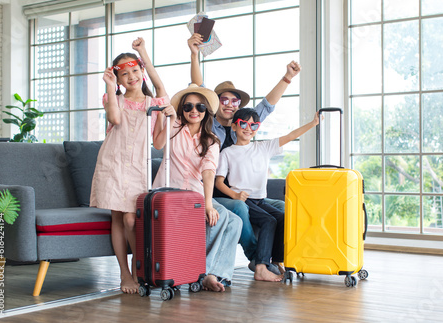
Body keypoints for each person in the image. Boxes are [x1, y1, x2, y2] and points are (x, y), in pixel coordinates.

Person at [188, 33, 301, 271]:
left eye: (234, 101)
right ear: (215, 103)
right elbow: (197, 88)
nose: (230, 104)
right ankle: (255, 257)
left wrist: (287, 78)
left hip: (244, 191)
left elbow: (267, 106)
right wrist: (194, 54)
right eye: (224, 100)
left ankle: (275, 257)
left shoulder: (243, 125)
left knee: (282, 208)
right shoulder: (207, 124)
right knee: (239, 207)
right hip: (217, 189)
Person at [90, 38, 175, 294]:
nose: (131, 77)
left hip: (139, 167)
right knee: (118, 217)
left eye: (135, 71)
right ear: (117, 77)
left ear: (142, 73)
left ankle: (142, 269)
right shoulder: (112, 98)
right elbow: (115, 119)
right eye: (123, 74)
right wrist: (110, 85)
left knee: (131, 219)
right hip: (112, 164)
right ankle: (125, 274)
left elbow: (158, 143)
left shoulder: (156, 103)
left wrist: (143, 53)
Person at [152, 84, 242, 292]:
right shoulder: (173, 127)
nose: (194, 111)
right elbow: (157, 144)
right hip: (168, 191)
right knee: (223, 215)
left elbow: (208, 172)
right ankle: (201, 273)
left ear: (206, 112)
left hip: (193, 193)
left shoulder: (211, 140)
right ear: (182, 110)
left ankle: (211, 272)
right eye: (189, 106)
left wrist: (208, 204)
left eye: (200, 107)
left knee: (234, 221)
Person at [215, 108, 321, 282]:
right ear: (234, 126)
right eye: (244, 124)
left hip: (260, 200)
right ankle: (261, 268)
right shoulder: (227, 152)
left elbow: (291, 135)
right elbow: (219, 182)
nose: (248, 128)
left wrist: (313, 123)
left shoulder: (263, 147)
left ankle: (276, 261)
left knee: (282, 217)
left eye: (254, 125)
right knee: (268, 221)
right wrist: (234, 195)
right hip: (244, 200)